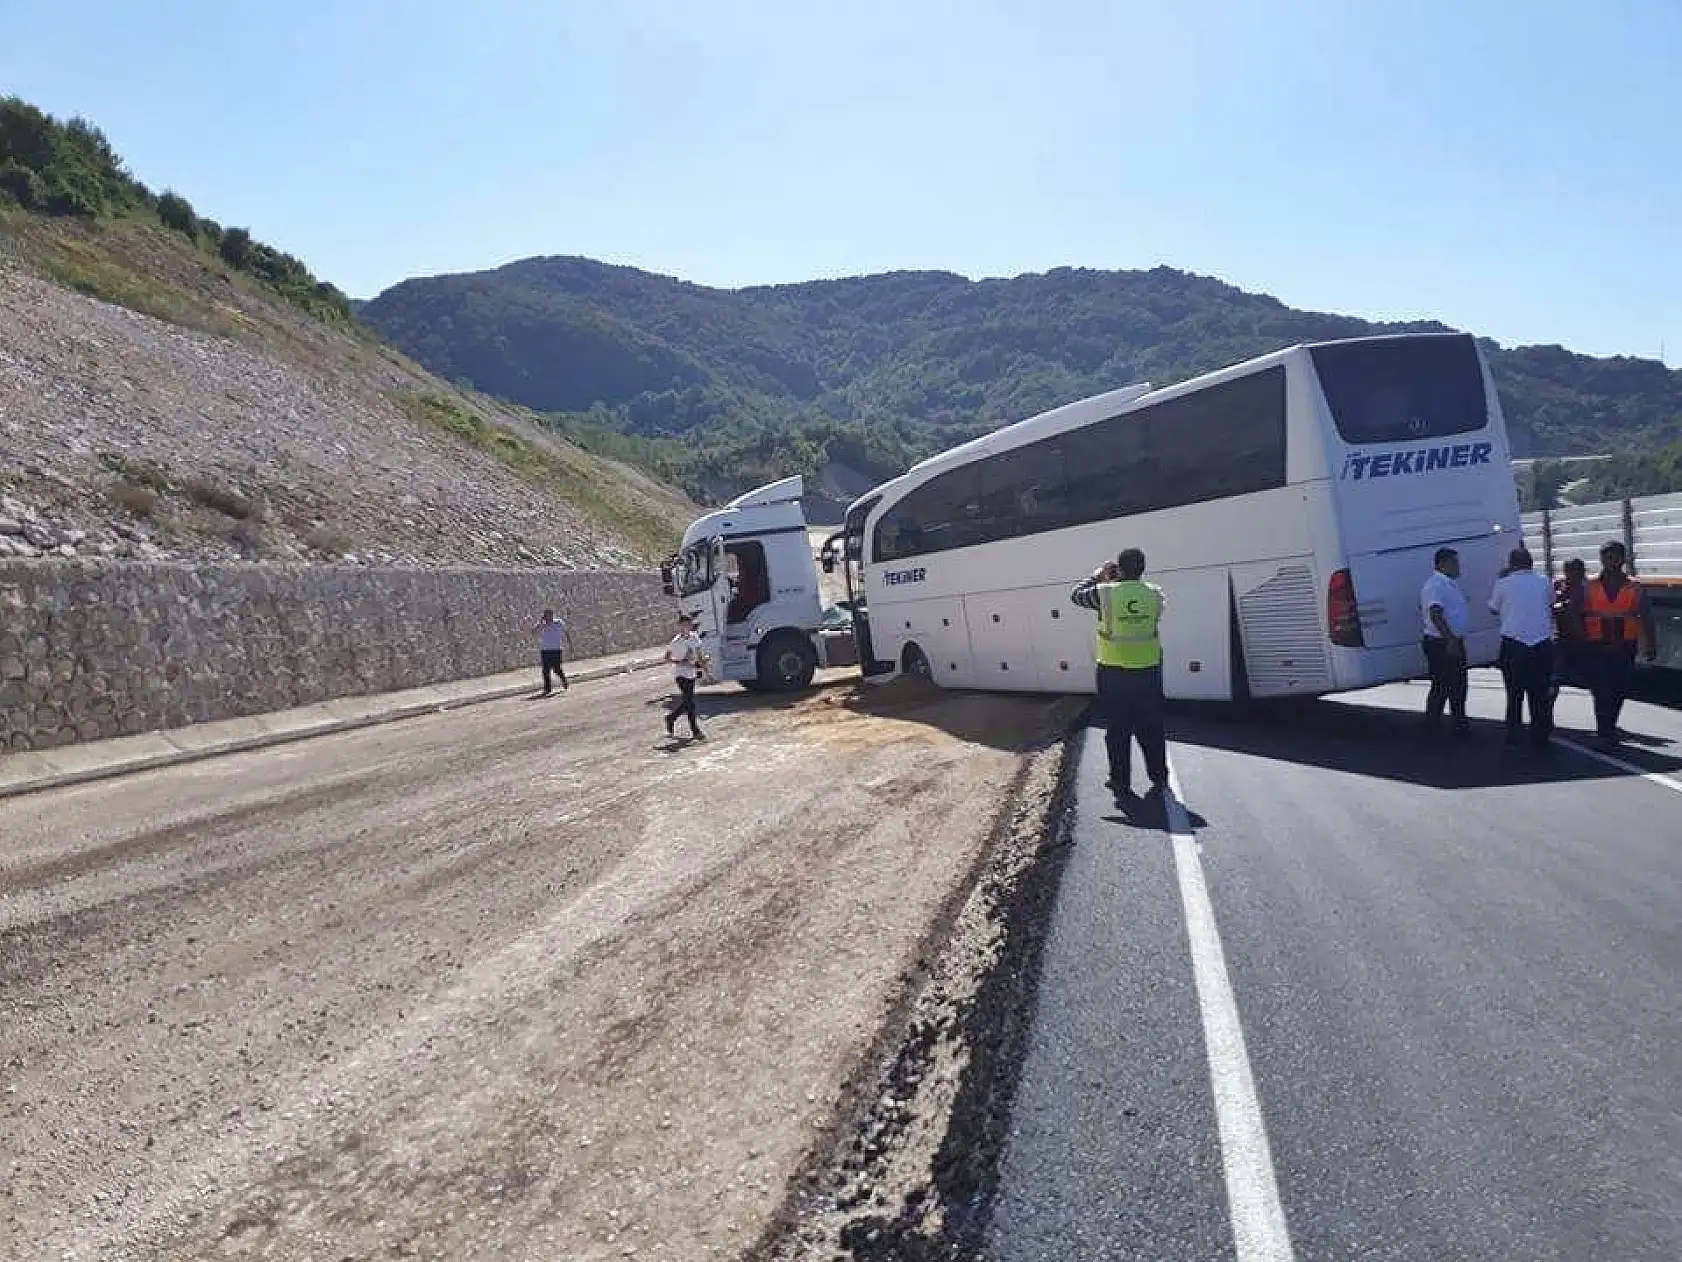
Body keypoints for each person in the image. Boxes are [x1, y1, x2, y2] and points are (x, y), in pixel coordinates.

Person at [1070, 547, 1168, 798]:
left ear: (1119, 569)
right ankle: (1159, 777)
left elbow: (1076, 595)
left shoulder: (1104, 594)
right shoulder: (1155, 594)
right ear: (1142, 569)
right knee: (1151, 729)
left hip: (1113, 674)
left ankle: (1120, 781)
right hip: (1148, 672)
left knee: (1118, 730)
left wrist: (1098, 575)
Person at [1582, 540, 1658, 742]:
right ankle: (1604, 729)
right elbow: (1577, 614)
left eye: (1615, 556)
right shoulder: (1589, 585)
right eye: (1607, 557)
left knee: (1619, 688)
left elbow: (1647, 617)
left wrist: (1651, 644)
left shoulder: (1635, 587)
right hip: (1596, 644)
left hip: (1624, 644)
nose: (1611, 561)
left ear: (1623, 559)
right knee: (1600, 689)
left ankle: (1610, 723)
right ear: (1601, 559)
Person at [1488, 547, 1555, 749]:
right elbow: (1551, 602)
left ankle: (1514, 734)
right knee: (1539, 693)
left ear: (1511, 564)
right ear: (1531, 562)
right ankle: (1540, 735)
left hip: (1513, 644)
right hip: (1541, 644)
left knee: (1514, 693)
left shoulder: (1503, 584)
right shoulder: (1544, 581)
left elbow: (1492, 608)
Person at [1420, 547, 1471, 738]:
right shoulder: (1435, 585)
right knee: (1442, 686)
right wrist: (1450, 640)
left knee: (1458, 685)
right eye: (1454, 562)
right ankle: (1432, 726)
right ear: (1443, 564)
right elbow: (1435, 614)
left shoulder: (1449, 584)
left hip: (1451, 640)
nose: (1458, 567)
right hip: (1441, 643)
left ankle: (1459, 724)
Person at [662, 614, 706, 741]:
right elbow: (666, 658)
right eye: (683, 625)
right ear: (679, 626)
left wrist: (702, 665)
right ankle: (695, 731)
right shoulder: (675, 642)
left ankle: (671, 718)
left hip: (691, 673)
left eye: (688, 625)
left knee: (688, 702)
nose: (685, 628)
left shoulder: (694, 637)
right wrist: (681, 662)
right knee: (690, 703)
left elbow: (698, 654)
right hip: (680, 674)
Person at [1551, 557, 1589, 693]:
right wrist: (1561, 605)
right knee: (1553, 678)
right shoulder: (1559, 586)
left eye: (1576, 571)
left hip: (1581, 637)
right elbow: (1550, 605)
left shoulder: (1586, 589)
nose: (1572, 574)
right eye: (1569, 571)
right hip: (1561, 637)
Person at [532, 608, 570, 696]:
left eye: (549, 615)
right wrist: (541, 623)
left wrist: (569, 643)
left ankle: (563, 680)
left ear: (552, 615)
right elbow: (533, 632)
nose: (548, 617)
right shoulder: (541, 624)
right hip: (545, 650)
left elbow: (566, 632)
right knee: (545, 670)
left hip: (556, 649)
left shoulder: (559, 622)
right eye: (546, 615)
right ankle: (547, 688)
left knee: (556, 669)